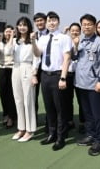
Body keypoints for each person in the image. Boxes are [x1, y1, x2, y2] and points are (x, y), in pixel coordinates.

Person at [31, 11, 72, 151]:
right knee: (49, 107)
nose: (51, 23)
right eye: (49, 21)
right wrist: (32, 42)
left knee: (60, 108)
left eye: (54, 20)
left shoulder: (64, 38)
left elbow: (67, 58)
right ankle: (52, 134)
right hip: (45, 76)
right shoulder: (42, 38)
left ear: (58, 22)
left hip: (57, 75)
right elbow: (37, 54)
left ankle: (61, 137)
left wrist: (63, 77)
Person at [73, 14, 100, 156]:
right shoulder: (80, 41)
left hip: (94, 84)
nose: (86, 26)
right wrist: (75, 46)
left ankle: (99, 140)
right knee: (87, 113)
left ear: (94, 26)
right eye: (84, 24)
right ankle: (90, 135)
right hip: (81, 83)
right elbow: (75, 58)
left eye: (89, 24)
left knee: (97, 114)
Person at [10, 17, 39, 142]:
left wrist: (34, 74)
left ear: (29, 27)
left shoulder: (33, 40)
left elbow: (37, 57)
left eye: (24, 25)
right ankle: (21, 128)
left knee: (28, 100)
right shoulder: (16, 41)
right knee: (18, 99)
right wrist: (11, 37)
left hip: (27, 67)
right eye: (19, 25)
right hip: (15, 68)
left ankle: (30, 130)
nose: (22, 27)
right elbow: (7, 52)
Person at [63, 23, 85, 134]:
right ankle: (69, 121)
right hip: (68, 74)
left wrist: (76, 46)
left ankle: (82, 122)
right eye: (72, 30)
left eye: (77, 30)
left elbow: (76, 56)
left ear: (80, 32)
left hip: (79, 75)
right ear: (69, 31)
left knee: (81, 100)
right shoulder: (65, 42)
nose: (74, 32)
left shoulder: (84, 43)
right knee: (67, 99)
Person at [0, 25, 16, 128]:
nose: (8, 33)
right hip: (2, 69)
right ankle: (6, 114)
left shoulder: (15, 42)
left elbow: (9, 51)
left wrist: (12, 37)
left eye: (10, 31)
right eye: (6, 31)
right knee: (3, 92)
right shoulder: (0, 43)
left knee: (11, 94)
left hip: (12, 69)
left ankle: (12, 117)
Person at [32, 12, 49, 126]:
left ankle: (50, 121)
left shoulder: (52, 34)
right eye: (37, 21)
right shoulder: (33, 36)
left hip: (48, 69)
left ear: (46, 21)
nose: (39, 23)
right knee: (33, 95)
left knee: (48, 96)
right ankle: (34, 120)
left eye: (41, 20)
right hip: (35, 70)